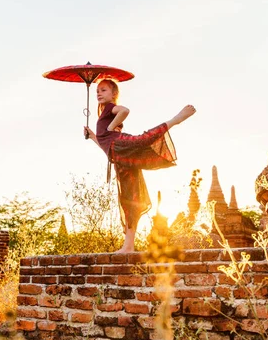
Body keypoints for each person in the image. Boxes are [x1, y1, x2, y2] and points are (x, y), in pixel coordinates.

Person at [84, 79, 196, 253]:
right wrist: (93, 137)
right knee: (129, 199)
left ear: (113, 94)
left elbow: (125, 110)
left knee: (143, 140)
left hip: (121, 147)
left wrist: (112, 126)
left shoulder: (109, 108)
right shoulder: (103, 116)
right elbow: (107, 147)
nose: (99, 93)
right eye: (98, 91)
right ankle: (128, 245)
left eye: (103, 90)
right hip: (118, 157)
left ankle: (175, 120)